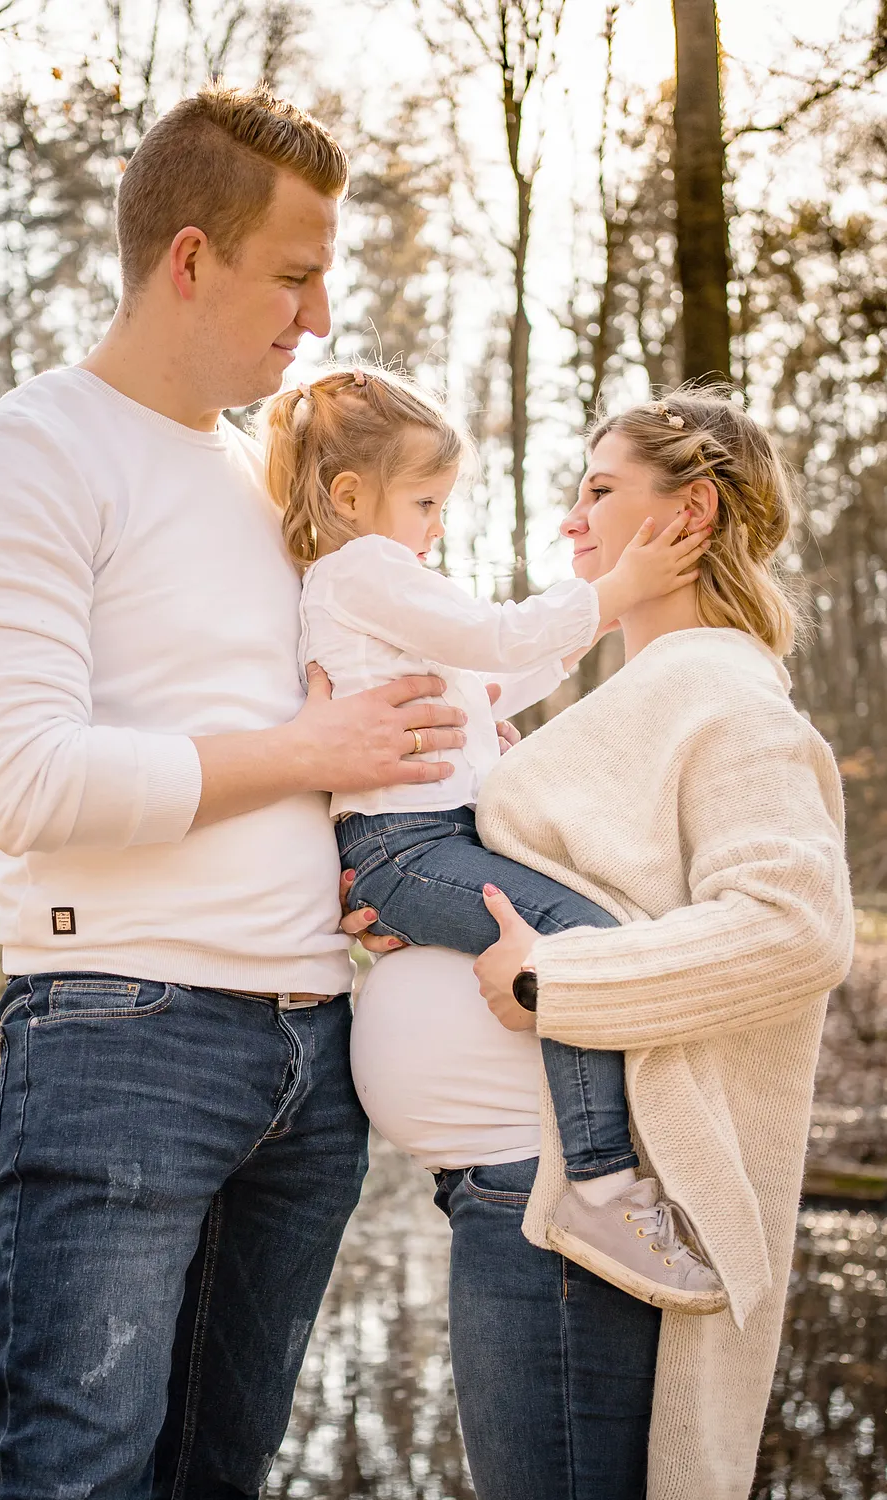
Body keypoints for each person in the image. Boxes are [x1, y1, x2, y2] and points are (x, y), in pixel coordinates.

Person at [0, 83, 469, 1498]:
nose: (320, 315)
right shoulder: (27, 453)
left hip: (315, 1054)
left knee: (221, 1474)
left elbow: (318, 728)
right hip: (124, 1037)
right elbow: (25, 782)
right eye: (294, 275)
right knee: (73, 1476)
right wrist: (312, 756)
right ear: (191, 259)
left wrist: (374, 860)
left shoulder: (274, 485)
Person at [350, 389, 854, 1500]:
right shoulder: (637, 696)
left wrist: (553, 978)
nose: (571, 520)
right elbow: (582, 887)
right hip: (515, 1195)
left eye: (600, 489)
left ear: (693, 512)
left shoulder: (724, 696)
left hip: (567, 1211)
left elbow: (796, 925)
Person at [260, 366, 723, 1313]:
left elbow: (488, 684)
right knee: (576, 943)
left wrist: (585, 626)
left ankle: (601, 1180)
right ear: (350, 496)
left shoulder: (373, 586)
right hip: (404, 842)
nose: (438, 524)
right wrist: (612, 590)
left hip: (422, 838)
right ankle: (600, 1187)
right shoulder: (364, 568)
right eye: (426, 501)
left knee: (576, 938)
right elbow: (496, 639)